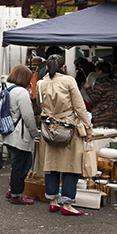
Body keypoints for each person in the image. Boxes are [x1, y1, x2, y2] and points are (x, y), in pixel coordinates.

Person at [39, 54, 93, 215]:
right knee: (71, 166)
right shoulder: (69, 81)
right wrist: (88, 128)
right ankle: (67, 204)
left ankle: (53, 200)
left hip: (50, 128)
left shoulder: (42, 83)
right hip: (68, 128)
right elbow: (79, 106)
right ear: (63, 67)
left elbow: (39, 105)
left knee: (51, 165)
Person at [1, 64, 40, 204]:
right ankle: (17, 194)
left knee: (18, 163)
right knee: (22, 164)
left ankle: (12, 189)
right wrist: (35, 133)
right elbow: (28, 116)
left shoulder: (6, 88)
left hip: (9, 132)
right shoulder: (21, 92)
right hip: (20, 135)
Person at [83, 62, 117, 129]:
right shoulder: (115, 83)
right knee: (115, 135)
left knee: (103, 135)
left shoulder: (100, 83)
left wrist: (88, 89)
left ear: (100, 71)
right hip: (116, 114)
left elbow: (95, 98)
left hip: (102, 114)